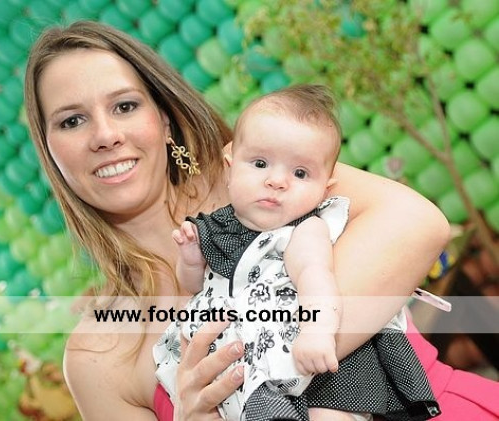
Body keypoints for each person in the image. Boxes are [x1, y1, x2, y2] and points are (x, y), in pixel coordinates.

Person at [23, 20, 460, 420]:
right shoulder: (93, 355)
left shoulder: (261, 177)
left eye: (124, 106)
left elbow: (418, 224)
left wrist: (248, 388)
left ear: (164, 118)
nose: (105, 136)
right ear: (49, 151)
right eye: (72, 121)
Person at [154, 84, 439, 421]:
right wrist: (190, 258)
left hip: (311, 355)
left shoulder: (302, 231)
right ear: (230, 168)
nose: (277, 181)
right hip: (241, 357)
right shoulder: (214, 227)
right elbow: (194, 286)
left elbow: (315, 279)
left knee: (328, 414)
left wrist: (316, 332)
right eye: (260, 163)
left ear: (324, 189)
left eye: (300, 173)